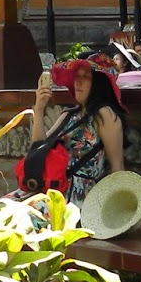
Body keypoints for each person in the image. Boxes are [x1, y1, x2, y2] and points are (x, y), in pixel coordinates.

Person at [26, 58, 126, 204]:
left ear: (98, 83)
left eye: (86, 77)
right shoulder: (69, 114)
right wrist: (39, 108)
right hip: (49, 189)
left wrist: (123, 206)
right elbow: (37, 148)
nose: (78, 81)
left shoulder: (104, 114)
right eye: (77, 76)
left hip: (77, 198)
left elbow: (117, 165)